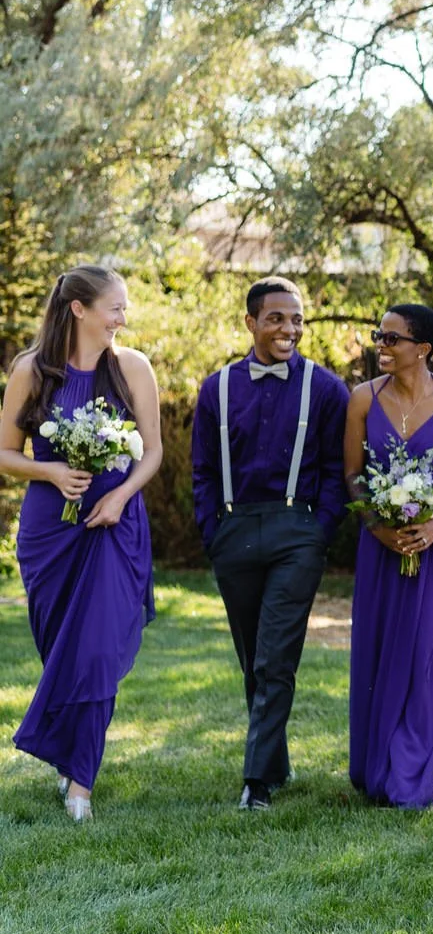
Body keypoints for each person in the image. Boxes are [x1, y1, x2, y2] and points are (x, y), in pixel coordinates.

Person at [0, 265, 160, 821]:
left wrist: (120, 498)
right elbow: (5, 452)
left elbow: (154, 453)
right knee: (60, 650)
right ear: (79, 310)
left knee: (94, 651)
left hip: (115, 526)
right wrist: (50, 473)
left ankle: (80, 789)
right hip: (50, 531)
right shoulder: (31, 369)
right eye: (115, 307)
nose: (123, 317)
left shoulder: (133, 367)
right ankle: (72, 757)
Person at [193, 276, 350, 811]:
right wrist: (212, 532)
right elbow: (203, 470)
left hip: (296, 535)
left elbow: (337, 470)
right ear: (251, 323)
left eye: (298, 319)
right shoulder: (215, 388)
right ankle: (275, 763)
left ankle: (256, 783)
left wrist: (319, 530)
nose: (290, 329)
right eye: (278, 318)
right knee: (251, 657)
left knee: (275, 658)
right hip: (233, 532)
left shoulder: (327, 390)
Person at [343, 305, 433, 809]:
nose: (380, 343)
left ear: (422, 348)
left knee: (428, 657)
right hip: (380, 550)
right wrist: (379, 528)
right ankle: (374, 768)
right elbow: (354, 475)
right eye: (379, 335)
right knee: (378, 651)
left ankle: (410, 779)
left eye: (392, 338)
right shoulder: (362, 399)